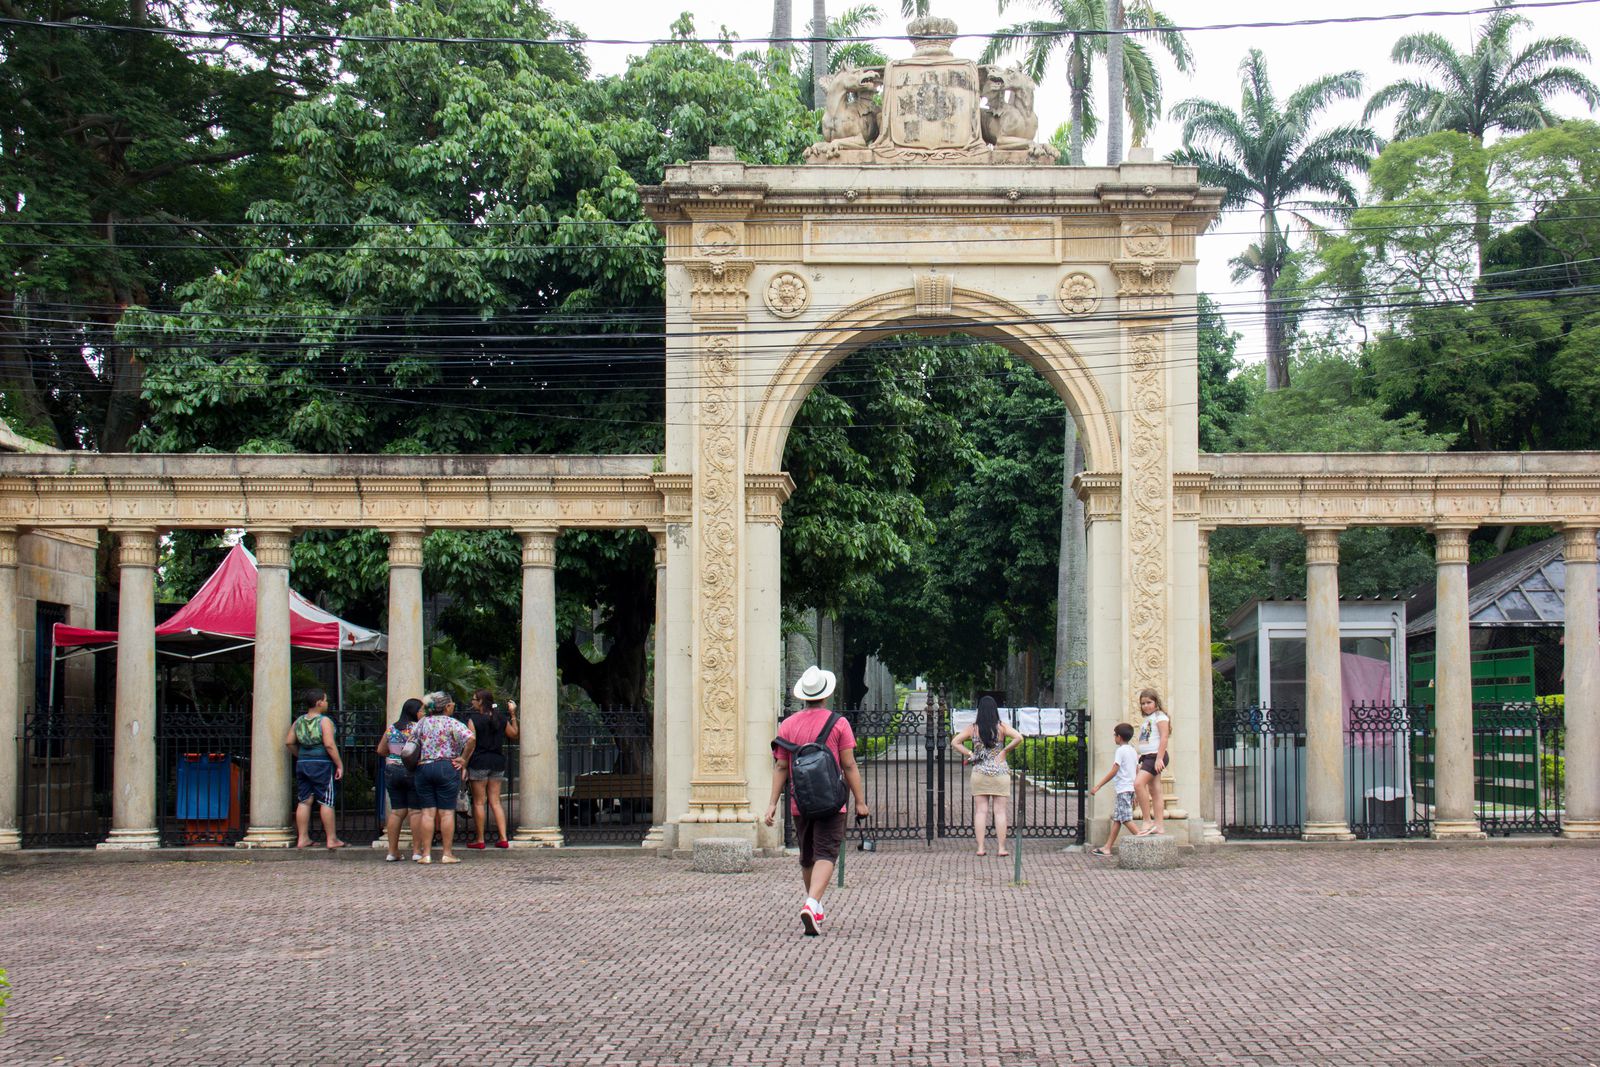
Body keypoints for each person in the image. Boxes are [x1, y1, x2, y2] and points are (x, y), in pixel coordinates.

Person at [763, 665, 869, 937]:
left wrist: (773, 803)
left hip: (802, 801)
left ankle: (815, 905)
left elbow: (781, 767)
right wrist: (860, 801)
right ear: (826, 694)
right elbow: (849, 765)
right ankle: (812, 903)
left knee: (808, 855)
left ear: (803, 696)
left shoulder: (787, 725)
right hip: (833, 800)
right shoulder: (838, 723)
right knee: (827, 852)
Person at [950, 695, 1023, 857]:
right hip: (1000, 771)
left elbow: (955, 742)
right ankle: (1001, 848)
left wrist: (970, 753)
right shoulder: (1001, 727)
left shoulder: (973, 728)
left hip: (980, 772)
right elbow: (1019, 737)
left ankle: (981, 847)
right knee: (1000, 812)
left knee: (981, 811)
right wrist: (1004, 751)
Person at [410, 694, 476, 864]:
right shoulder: (451, 723)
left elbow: (411, 743)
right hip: (447, 766)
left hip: (424, 767)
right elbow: (471, 738)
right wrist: (464, 759)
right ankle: (447, 853)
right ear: (446, 707)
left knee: (427, 812)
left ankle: (426, 854)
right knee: (446, 812)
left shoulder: (422, 723)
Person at [285, 689, 346, 850]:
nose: (327, 703)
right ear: (319, 702)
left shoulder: (299, 721)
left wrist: (300, 755)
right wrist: (339, 764)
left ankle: (302, 838)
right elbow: (329, 744)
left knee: (304, 800)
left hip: (303, 762)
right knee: (326, 800)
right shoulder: (323, 721)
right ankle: (331, 839)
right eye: (325, 700)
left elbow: (289, 742)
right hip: (322, 763)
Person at [464, 688, 519, 849]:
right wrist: (513, 715)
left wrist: (465, 762)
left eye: (474, 699)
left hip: (479, 761)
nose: (472, 702)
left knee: (479, 802)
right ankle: (503, 838)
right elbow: (514, 733)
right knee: (495, 801)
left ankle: (480, 839)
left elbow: (471, 742)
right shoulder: (500, 718)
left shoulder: (473, 719)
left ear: (480, 701)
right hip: (497, 761)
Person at [376, 697, 425, 862]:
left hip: (392, 769)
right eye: (421, 710)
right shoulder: (418, 729)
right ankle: (417, 850)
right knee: (415, 811)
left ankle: (392, 851)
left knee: (397, 811)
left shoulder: (391, 728)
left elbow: (381, 750)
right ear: (415, 712)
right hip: (412, 770)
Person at [1088, 723, 1138, 857]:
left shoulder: (1120, 751)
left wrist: (1098, 786)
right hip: (1130, 788)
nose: (1114, 738)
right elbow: (1137, 770)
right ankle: (1107, 847)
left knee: (1126, 819)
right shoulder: (1133, 750)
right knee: (1118, 819)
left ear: (1119, 737)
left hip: (1123, 789)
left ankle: (1144, 842)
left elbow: (1114, 770)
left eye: (1115, 735)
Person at [1133, 688, 1171, 836]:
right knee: (1155, 791)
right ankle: (1159, 826)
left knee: (1138, 784)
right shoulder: (1148, 719)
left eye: (1149, 702)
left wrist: (1159, 758)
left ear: (1156, 703)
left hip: (1155, 756)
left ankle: (1147, 820)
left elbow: (1164, 737)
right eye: (1143, 703)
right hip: (1147, 757)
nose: (1146, 705)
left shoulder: (1160, 716)